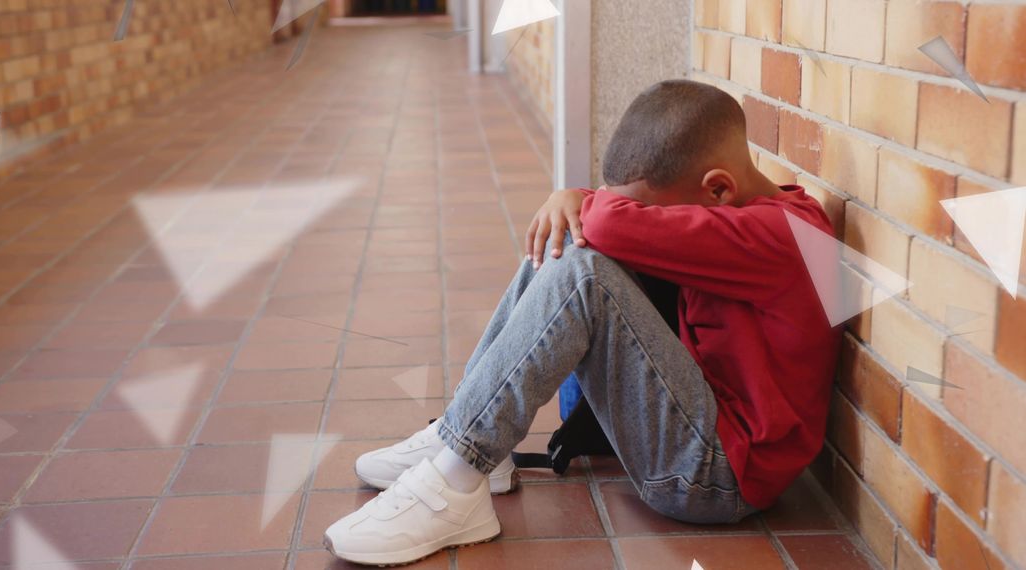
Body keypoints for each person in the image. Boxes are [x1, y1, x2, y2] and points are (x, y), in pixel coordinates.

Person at [322, 80, 842, 566]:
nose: (648, 221)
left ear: (719, 191)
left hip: (716, 477)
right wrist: (575, 204)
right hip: (700, 429)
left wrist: (577, 195)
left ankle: (456, 481)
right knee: (570, 237)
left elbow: (611, 221)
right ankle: (472, 439)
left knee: (583, 266)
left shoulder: (785, 237)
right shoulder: (749, 216)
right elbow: (608, 223)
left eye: (653, 213)